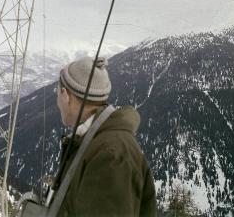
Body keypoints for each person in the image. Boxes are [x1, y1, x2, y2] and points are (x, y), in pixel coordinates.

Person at [51, 56, 157, 216]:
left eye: (57, 92)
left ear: (65, 95)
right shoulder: (93, 141)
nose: (57, 99)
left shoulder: (110, 154)